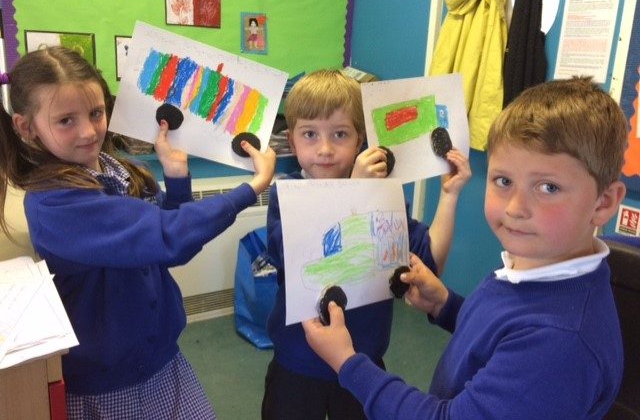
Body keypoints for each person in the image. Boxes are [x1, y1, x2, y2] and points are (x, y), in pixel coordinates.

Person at [302, 76, 627, 420]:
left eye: (548, 187)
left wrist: (348, 363)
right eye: (504, 181)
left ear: (604, 203)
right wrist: (446, 305)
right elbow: (498, 338)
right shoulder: (531, 264)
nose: (515, 208)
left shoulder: (561, 343)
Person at [0, 46, 276, 420]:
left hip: (161, 361)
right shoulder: (54, 203)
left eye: (96, 113)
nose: (88, 131)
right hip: (104, 382)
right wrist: (252, 188)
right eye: (65, 121)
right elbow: (169, 235)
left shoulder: (121, 172)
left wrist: (176, 179)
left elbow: (167, 247)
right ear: (26, 127)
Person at [261, 69, 471, 420]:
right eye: (310, 134)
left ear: (360, 139)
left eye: (340, 134)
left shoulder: (382, 193)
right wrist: (353, 192)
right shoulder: (286, 195)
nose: (325, 149)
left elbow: (430, 263)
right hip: (298, 361)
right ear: (292, 142)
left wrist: (449, 196)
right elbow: (301, 258)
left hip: (362, 362)